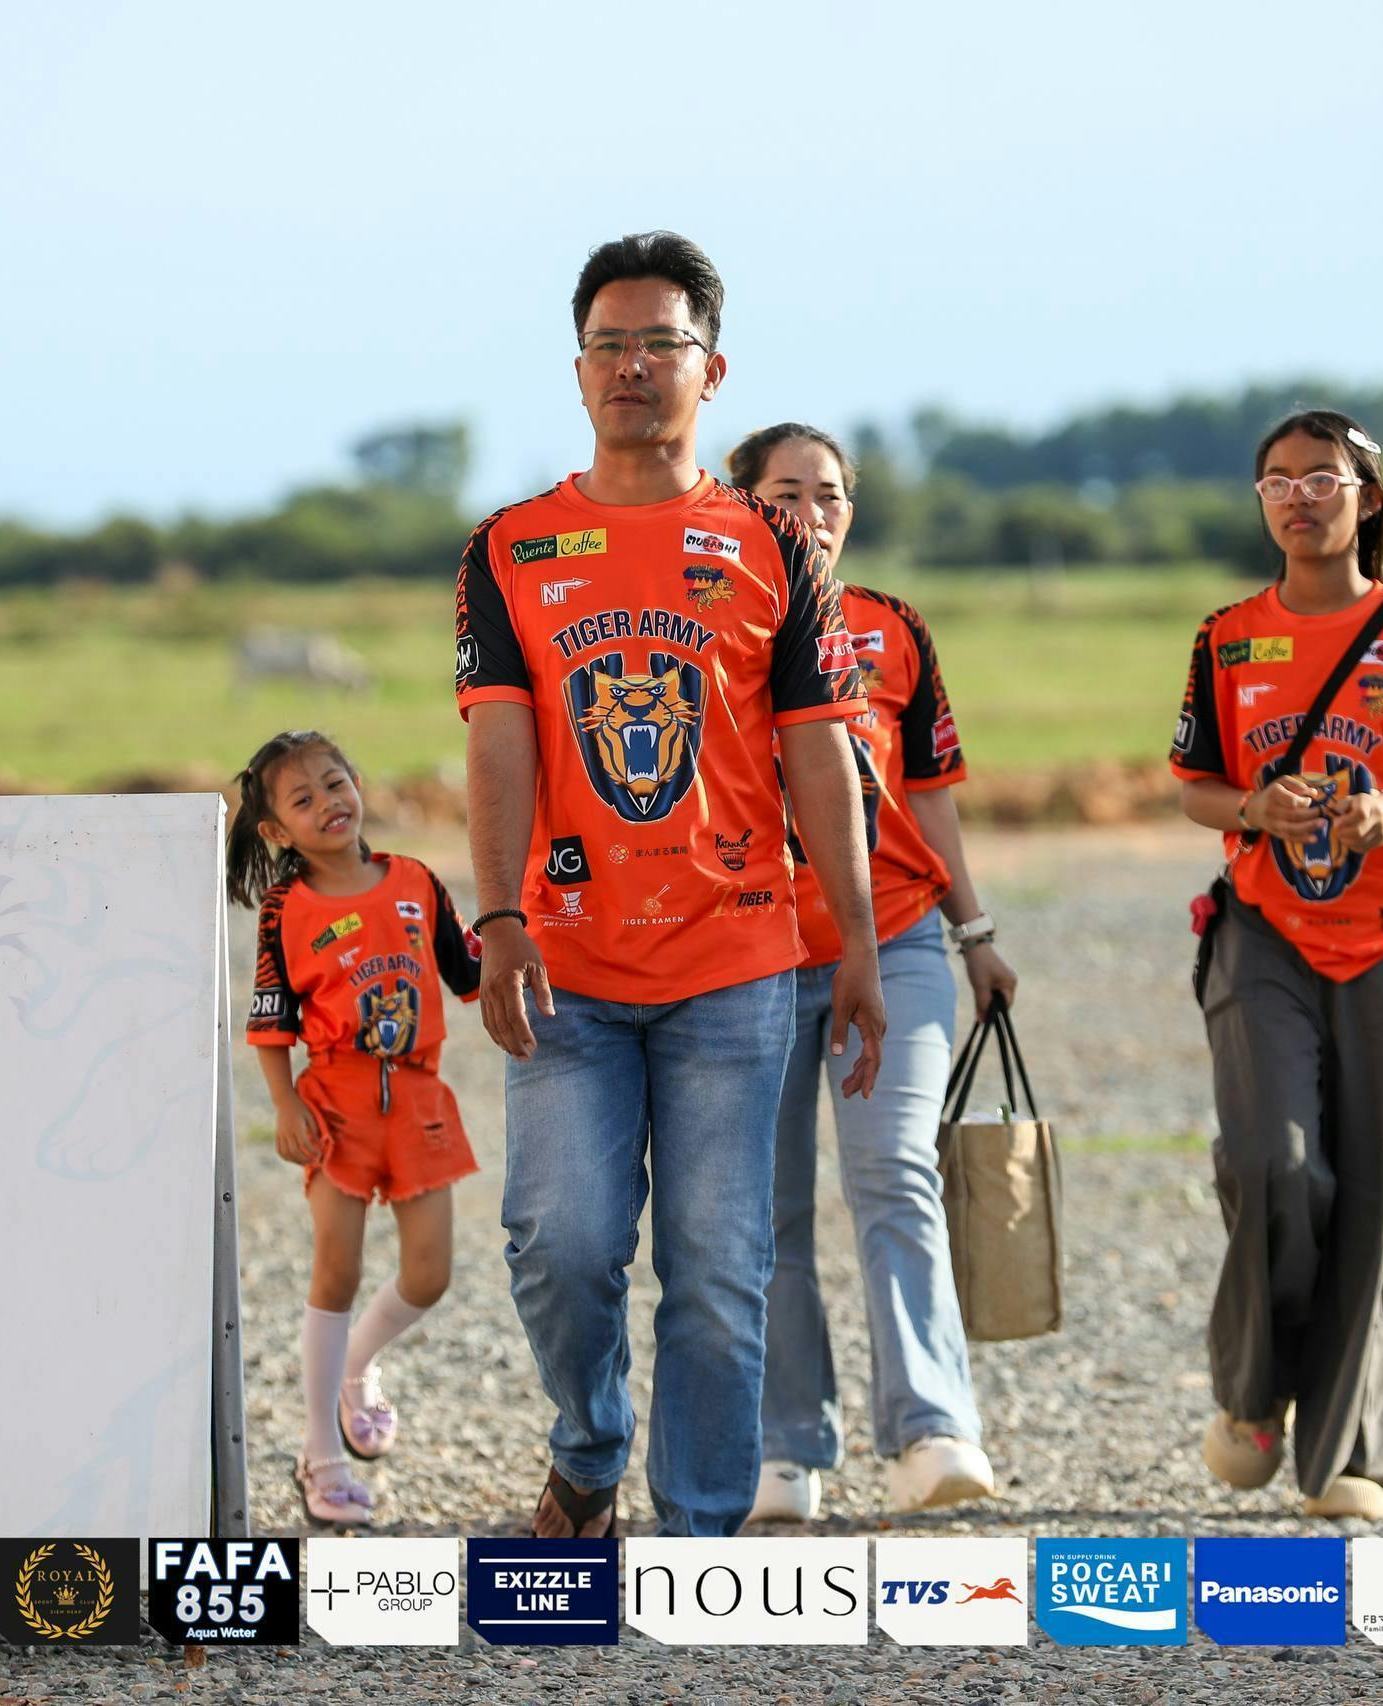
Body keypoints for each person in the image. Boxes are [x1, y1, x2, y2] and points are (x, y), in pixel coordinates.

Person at [453, 231, 886, 1538]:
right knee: (562, 1240)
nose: (632, 366)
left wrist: (859, 944)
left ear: (713, 367)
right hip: (566, 961)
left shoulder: (771, 544)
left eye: (660, 343)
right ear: (578, 367)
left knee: (719, 1262)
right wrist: (499, 913)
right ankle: (589, 1446)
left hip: (735, 961)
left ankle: (695, 1531)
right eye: (609, 344)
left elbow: (820, 753)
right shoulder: (509, 547)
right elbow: (499, 742)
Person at [1167, 409, 1383, 1522]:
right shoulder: (1225, 637)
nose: (1299, 497)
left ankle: (1351, 1455)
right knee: (1275, 1164)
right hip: (1264, 925)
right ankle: (1253, 1397)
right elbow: (1196, 786)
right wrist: (1253, 807)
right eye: (1278, 481)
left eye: (1323, 478)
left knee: (1372, 1190)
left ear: (1366, 496)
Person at [727, 422, 1013, 1520]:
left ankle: (933, 1431)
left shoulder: (894, 628)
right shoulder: (706, 625)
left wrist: (975, 931)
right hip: (746, 954)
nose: (811, 513)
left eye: (831, 495)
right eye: (786, 492)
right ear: (742, 505)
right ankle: (785, 1447)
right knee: (764, 1210)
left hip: (891, 938)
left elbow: (928, 790)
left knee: (895, 1168)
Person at [231, 729, 483, 1526]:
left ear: (359, 784)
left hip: (420, 1099)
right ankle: (321, 1456)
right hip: (334, 1103)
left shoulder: (416, 881)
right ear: (277, 831)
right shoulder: (285, 910)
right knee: (335, 1272)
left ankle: (357, 1367)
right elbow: (270, 1019)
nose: (327, 805)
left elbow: (472, 970)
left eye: (335, 784)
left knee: (429, 1274)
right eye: (302, 800)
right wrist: (285, 1105)